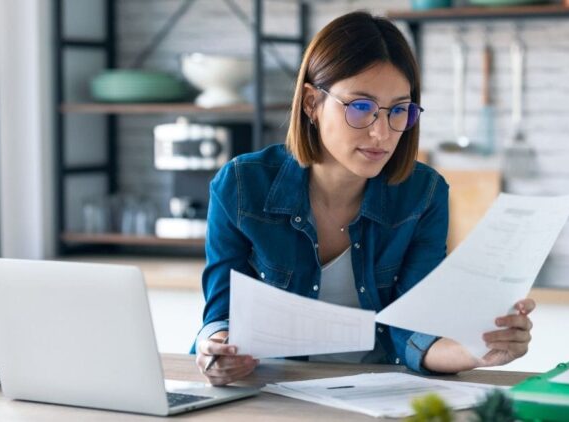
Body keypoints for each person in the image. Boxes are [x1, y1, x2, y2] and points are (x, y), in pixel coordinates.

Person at [194, 11, 535, 386]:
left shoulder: (424, 194)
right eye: (361, 107)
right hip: (274, 390)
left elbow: (413, 333)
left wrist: (478, 350)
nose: (382, 133)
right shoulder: (242, 185)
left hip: (377, 393)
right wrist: (218, 351)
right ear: (311, 103)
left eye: (399, 111)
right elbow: (221, 316)